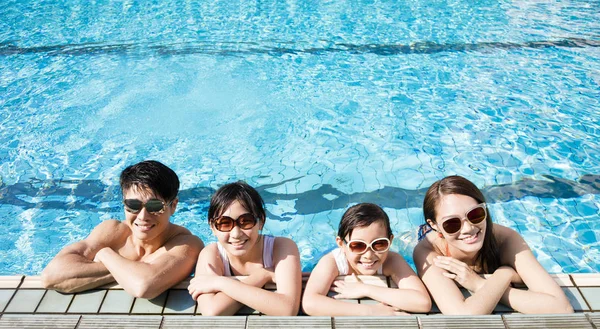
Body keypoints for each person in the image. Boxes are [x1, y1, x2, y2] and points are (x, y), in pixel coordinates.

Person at [41, 160, 204, 299]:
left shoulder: (186, 243)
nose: (142, 216)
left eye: (154, 206)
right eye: (133, 205)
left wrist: (105, 254)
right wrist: (136, 268)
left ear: (173, 206)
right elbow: (51, 276)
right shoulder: (113, 230)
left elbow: (144, 286)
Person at [413, 175, 574, 314]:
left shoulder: (507, 239)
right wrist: (508, 273)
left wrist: (481, 282)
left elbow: (561, 308)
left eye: (475, 214)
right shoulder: (428, 251)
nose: (468, 228)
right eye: (452, 223)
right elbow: (462, 315)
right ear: (434, 225)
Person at [188, 181, 302, 315]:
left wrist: (220, 283)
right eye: (225, 223)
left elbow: (287, 309)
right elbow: (212, 312)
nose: (236, 234)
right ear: (213, 227)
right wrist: (262, 275)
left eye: (246, 221)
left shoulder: (282, 247)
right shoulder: (212, 254)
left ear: (261, 222)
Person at [302, 203, 431, 316]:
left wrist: (365, 289)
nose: (368, 255)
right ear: (341, 244)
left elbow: (422, 302)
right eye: (357, 245)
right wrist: (372, 311)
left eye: (379, 244)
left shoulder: (391, 260)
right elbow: (310, 303)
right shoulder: (332, 261)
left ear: (390, 241)